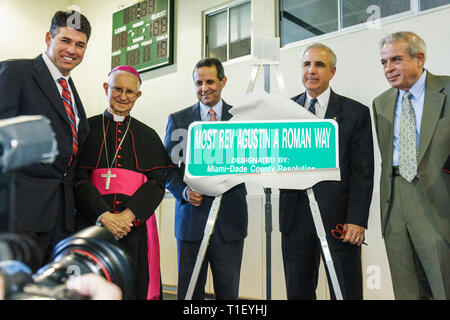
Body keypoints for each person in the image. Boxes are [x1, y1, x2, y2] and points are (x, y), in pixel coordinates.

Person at [279, 43, 374, 299]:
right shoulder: (283, 113)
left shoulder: (356, 113)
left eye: (319, 64)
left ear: (332, 72)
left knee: (345, 291)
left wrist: (357, 219)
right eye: (306, 64)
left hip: (340, 221)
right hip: (294, 220)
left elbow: (363, 173)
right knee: (298, 292)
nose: (312, 70)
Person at [0, 10, 91, 266]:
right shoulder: (16, 73)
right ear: (48, 38)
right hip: (20, 216)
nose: (72, 50)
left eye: (80, 44)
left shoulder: (72, 93)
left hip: (61, 219)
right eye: (65, 40)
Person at [74, 66, 171, 300]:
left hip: (133, 229)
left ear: (138, 96)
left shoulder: (147, 135)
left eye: (130, 92)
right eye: (117, 89)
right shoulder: (86, 129)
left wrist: (127, 217)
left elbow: (158, 183)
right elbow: (77, 178)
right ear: (107, 88)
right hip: (92, 224)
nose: (123, 96)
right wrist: (104, 216)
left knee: (132, 287)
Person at [372, 31, 449, 299]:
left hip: (438, 199)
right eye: (383, 62)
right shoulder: (380, 104)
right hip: (394, 200)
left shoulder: (447, 90)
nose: (388, 69)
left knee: (443, 284)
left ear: (420, 59)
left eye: (396, 60)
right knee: (406, 289)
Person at [164, 58, 248, 300]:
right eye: (198, 83)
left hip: (229, 224)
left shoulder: (240, 119)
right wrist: (184, 192)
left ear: (223, 81)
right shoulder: (179, 120)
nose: (204, 88)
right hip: (191, 222)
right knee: (190, 296)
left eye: (210, 81)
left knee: (228, 295)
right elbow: (167, 170)